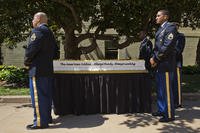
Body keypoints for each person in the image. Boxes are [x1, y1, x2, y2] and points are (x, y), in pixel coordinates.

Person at [24, 12, 59, 129]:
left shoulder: (37, 31)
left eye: (33, 19)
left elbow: (31, 50)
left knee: (38, 97)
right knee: (47, 96)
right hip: (48, 70)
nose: (32, 21)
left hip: (37, 70)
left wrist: (27, 61)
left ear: (38, 19)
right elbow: (56, 53)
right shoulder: (50, 33)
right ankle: (47, 118)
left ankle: (40, 122)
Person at [150, 9, 177, 122]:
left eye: (158, 16)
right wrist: (153, 58)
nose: (156, 17)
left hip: (166, 64)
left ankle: (169, 115)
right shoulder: (161, 29)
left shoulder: (170, 27)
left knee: (166, 91)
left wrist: (155, 59)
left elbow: (167, 46)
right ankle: (162, 110)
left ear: (165, 17)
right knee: (160, 90)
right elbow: (157, 47)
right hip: (159, 64)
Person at [173, 22, 185, 108]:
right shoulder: (169, 36)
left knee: (177, 84)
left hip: (177, 63)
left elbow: (179, 49)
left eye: (175, 27)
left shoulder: (180, 36)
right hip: (169, 63)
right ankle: (172, 100)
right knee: (171, 83)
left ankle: (178, 102)